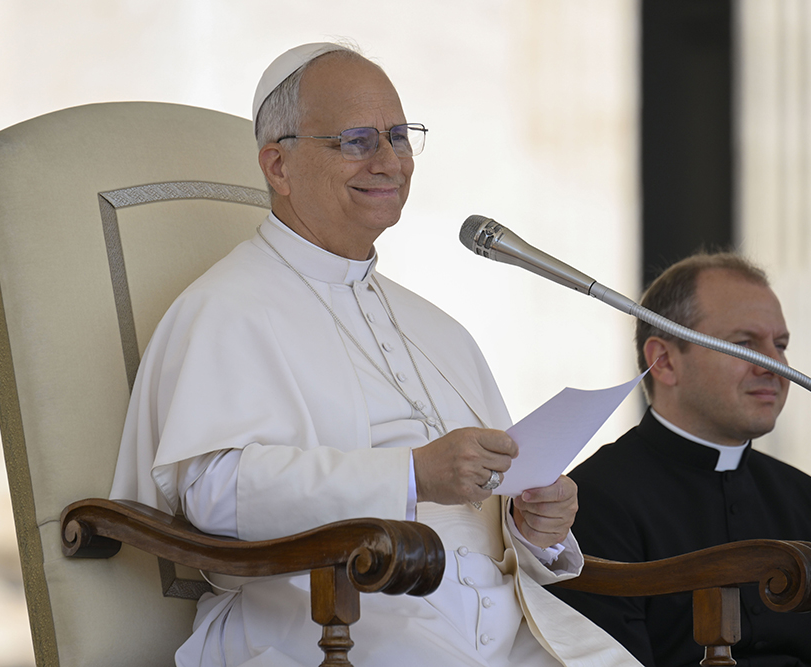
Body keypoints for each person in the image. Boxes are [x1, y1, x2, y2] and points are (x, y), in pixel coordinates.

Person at [110, 42, 641, 667]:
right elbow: (213, 495)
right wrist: (412, 475)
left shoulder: (438, 328)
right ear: (278, 166)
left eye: (399, 136)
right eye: (358, 140)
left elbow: (496, 506)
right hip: (330, 617)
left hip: (502, 622)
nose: (390, 161)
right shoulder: (224, 309)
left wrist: (534, 526)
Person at [549, 253, 811, 666]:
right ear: (665, 361)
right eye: (744, 344)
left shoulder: (808, 499)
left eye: (780, 345)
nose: (775, 366)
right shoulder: (594, 499)